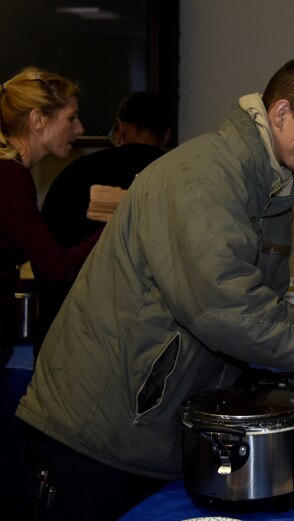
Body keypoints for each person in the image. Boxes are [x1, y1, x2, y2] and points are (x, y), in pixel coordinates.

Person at [16, 55, 294, 520]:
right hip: (94, 435)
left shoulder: (270, 192)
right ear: (279, 113)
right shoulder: (204, 176)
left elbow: (262, 310)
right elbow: (228, 311)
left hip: (152, 431)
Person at [0, 67, 99, 521]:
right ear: (38, 120)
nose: (78, 131)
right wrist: (115, 227)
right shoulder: (10, 177)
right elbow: (55, 267)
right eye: (71, 118)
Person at [35, 92, 172, 358]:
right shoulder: (183, 179)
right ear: (166, 135)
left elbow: (48, 261)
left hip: (77, 334)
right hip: (154, 340)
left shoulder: (75, 174)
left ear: (119, 128)